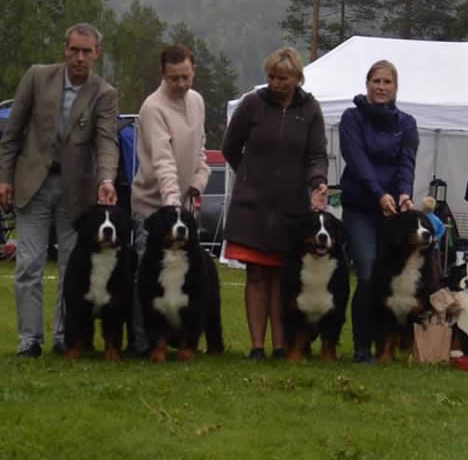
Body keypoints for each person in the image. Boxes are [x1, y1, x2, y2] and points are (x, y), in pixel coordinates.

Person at [0, 23, 119, 358]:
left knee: (73, 267)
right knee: (28, 264)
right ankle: (30, 340)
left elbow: (107, 142)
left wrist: (106, 179)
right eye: (74, 50)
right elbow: (12, 133)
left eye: (86, 51)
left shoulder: (104, 93)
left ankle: (66, 338)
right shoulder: (37, 77)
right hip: (32, 184)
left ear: (97, 54)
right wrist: (4, 177)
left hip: (77, 191)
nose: (79, 57)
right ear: (64, 49)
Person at [222, 47, 328, 361]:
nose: (275, 83)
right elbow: (230, 146)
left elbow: (316, 155)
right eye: (271, 77)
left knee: (283, 277)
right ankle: (257, 346)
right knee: (255, 275)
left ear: (297, 78)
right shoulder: (251, 104)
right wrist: (249, 176)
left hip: (291, 207)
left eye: (282, 78)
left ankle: (281, 346)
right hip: (252, 206)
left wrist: (317, 181)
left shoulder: (310, 110)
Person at [128, 44, 211, 356]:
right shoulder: (153, 107)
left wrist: (198, 186)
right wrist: (173, 208)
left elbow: (201, 152)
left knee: (190, 281)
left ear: (193, 71)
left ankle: (185, 340)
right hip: (153, 206)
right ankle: (141, 343)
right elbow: (163, 162)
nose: (181, 84)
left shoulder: (197, 101)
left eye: (186, 77)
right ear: (163, 74)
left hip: (183, 209)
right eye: (174, 78)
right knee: (146, 280)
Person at [339, 60, 419, 363]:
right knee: (369, 272)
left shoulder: (407, 123)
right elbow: (357, 160)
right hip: (361, 208)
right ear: (367, 84)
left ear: (396, 88)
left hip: (393, 212)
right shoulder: (352, 118)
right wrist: (379, 194)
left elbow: (406, 162)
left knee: (390, 279)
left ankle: (388, 344)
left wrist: (403, 194)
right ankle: (362, 346)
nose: (381, 87)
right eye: (376, 81)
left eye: (387, 82)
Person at [422, 196, 446, 276]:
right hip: (434, 246)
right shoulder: (436, 219)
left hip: (425, 246)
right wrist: (437, 237)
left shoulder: (423, 218)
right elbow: (442, 228)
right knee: (436, 265)